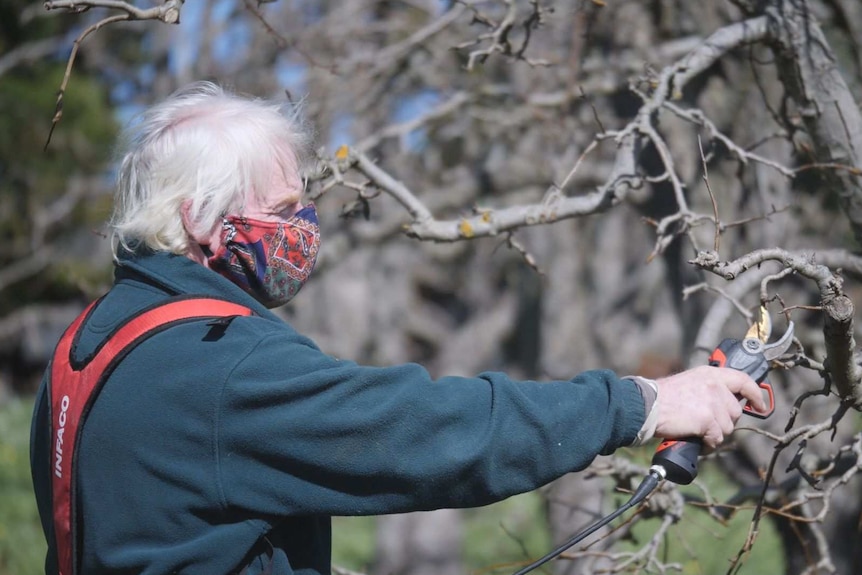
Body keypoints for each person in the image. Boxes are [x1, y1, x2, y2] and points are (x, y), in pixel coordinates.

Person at [30, 81, 764, 575]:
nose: (303, 228)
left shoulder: (90, 344)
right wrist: (641, 404)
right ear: (199, 218)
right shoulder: (220, 365)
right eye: (283, 211)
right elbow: (426, 430)